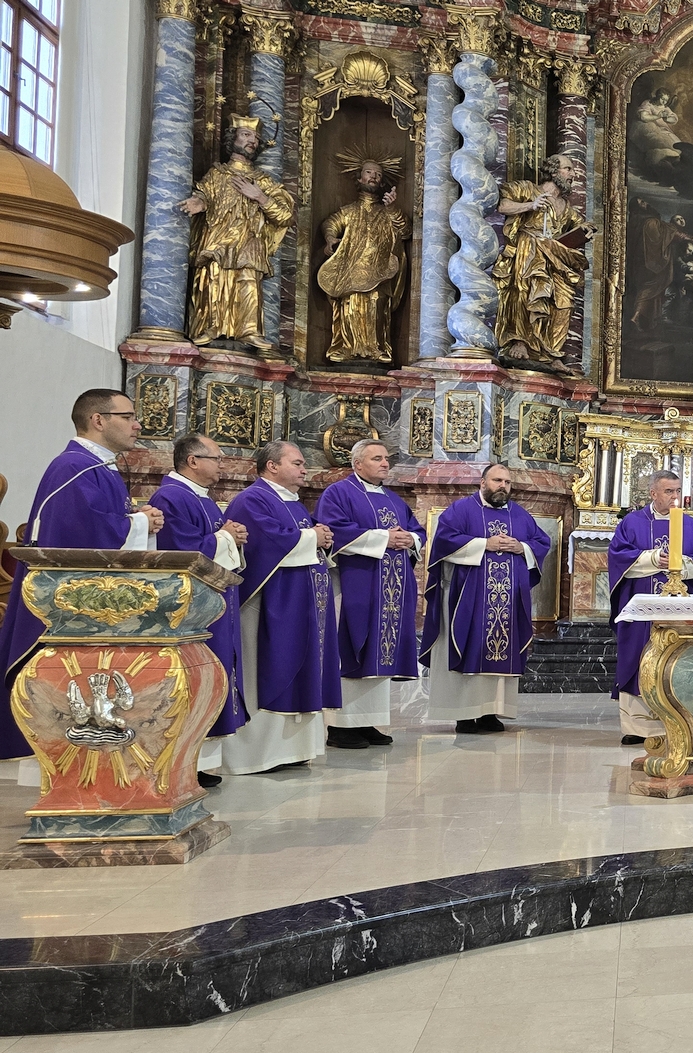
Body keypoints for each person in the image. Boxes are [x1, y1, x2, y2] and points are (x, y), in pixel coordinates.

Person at [0, 390, 165, 763]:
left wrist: (137, 521)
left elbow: (99, 524)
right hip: (65, 604)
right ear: (98, 420)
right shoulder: (74, 466)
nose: (137, 424)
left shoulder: (97, 466)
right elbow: (83, 532)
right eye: (128, 416)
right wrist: (140, 522)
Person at [222, 441, 340, 774]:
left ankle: (294, 750)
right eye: (297, 463)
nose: (305, 469)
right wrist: (313, 537)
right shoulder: (253, 499)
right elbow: (268, 542)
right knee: (270, 668)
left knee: (304, 667)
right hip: (271, 604)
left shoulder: (292, 502)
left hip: (302, 604)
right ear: (272, 466)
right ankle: (259, 754)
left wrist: (320, 538)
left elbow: (302, 537)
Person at [421, 464, 554, 734]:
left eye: (507, 482)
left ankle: (490, 711)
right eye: (497, 480)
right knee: (470, 646)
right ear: (483, 483)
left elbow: (541, 542)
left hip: (507, 602)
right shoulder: (461, 510)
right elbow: (444, 541)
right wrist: (485, 544)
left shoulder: (519, 515)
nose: (502, 486)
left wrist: (521, 547)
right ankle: (464, 714)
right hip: (469, 599)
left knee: (500, 649)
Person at [150, 434, 248, 786]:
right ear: (192, 461)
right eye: (217, 458)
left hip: (213, 602)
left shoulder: (201, 497)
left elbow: (215, 543)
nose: (223, 464)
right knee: (195, 674)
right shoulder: (171, 497)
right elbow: (181, 551)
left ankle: (201, 762)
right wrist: (227, 537)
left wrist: (232, 537)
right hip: (190, 609)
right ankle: (185, 762)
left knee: (214, 670)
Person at [317, 439, 424, 749]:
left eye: (386, 458)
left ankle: (367, 721)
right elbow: (334, 530)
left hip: (391, 590)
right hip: (356, 584)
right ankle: (340, 726)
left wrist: (410, 540)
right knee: (353, 650)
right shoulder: (338, 493)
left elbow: (417, 530)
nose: (385, 463)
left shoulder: (393, 499)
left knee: (380, 654)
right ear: (357, 464)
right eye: (377, 458)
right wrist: (383, 538)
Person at [609, 471, 693, 747]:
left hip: (679, 608)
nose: (674, 496)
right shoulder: (632, 523)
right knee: (636, 656)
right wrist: (654, 558)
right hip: (641, 606)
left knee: (675, 659)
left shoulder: (692, 527)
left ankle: (677, 726)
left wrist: (682, 563)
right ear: (653, 493)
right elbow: (618, 556)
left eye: (677, 491)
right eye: (668, 491)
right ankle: (637, 726)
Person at [180, 116, 294, 351]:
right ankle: (210, 326)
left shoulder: (263, 181)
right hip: (218, 240)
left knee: (248, 282)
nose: (253, 141)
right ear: (233, 139)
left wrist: (260, 196)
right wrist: (199, 203)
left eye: (256, 138)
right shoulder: (217, 174)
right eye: (246, 135)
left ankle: (249, 330)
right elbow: (205, 194)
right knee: (213, 279)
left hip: (249, 242)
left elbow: (285, 216)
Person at [493, 154, 593, 370]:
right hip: (528, 247)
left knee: (563, 301)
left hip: (554, 256)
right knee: (525, 290)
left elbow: (578, 226)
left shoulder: (566, 207)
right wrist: (532, 204)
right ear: (553, 171)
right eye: (568, 169)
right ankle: (520, 341)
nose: (573, 174)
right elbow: (502, 205)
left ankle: (552, 353)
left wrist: (584, 231)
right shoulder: (527, 189)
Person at [317, 155, 410, 364]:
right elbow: (331, 223)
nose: (373, 177)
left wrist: (392, 208)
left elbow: (405, 231)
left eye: (378, 174)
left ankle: (375, 348)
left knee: (376, 306)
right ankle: (348, 348)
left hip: (380, 271)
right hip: (351, 271)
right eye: (369, 172)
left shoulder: (388, 212)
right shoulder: (349, 211)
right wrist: (330, 238)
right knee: (350, 307)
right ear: (359, 178)